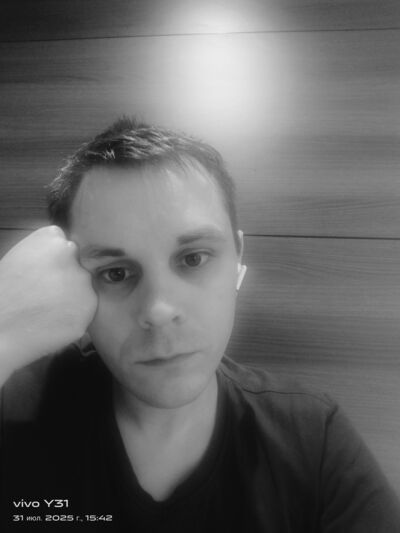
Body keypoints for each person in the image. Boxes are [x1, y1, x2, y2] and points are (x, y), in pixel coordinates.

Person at [0, 117, 399, 532]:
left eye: (193, 259)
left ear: (237, 257)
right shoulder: (15, 406)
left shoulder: (312, 439)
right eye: (115, 273)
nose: (158, 309)